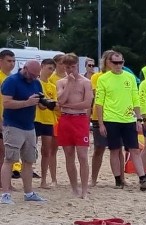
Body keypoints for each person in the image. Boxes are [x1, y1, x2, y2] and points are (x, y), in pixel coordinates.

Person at [94, 50, 146, 191]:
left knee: (134, 150)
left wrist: (139, 119)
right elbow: (99, 103)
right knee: (114, 150)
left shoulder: (129, 77)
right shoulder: (103, 79)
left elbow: (135, 99)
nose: (118, 65)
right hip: (111, 119)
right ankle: (118, 180)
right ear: (109, 63)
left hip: (128, 119)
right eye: (115, 62)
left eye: (121, 62)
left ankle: (143, 180)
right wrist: (100, 124)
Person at [0, 60, 46, 204]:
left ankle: (29, 192)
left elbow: (40, 103)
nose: (34, 77)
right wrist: (27, 102)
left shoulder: (36, 83)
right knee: (10, 159)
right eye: (32, 74)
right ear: (24, 68)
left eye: (36, 75)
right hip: (13, 125)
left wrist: (45, 103)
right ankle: (5, 194)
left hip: (29, 126)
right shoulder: (11, 81)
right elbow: (6, 103)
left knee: (29, 160)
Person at [56, 53, 93, 199]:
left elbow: (86, 104)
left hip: (80, 119)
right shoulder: (62, 82)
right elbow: (60, 100)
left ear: (77, 65)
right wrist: (70, 84)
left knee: (83, 156)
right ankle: (74, 188)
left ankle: (84, 189)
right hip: (66, 119)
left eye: (72, 66)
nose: (70, 70)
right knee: (69, 155)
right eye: (67, 67)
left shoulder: (85, 82)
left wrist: (68, 105)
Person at [88, 49, 113, 187]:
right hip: (99, 115)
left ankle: (120, 177)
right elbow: (97, 96)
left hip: (116, 116)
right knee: (99, 148)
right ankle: (93, 178)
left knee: (117, 149)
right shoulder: (96, 77)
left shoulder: (122, 76)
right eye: (111, 60)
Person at [35, 58, 58, 189]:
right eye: (49, 68)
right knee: (31, 150)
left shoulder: (52, 86)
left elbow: (53, 105)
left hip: (48, 120)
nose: (51, 72)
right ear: (42, 66)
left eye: (53, 69)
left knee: (46, 151)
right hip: (36, 119)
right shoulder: (35, 83)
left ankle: (43, 180)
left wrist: (46, 104)